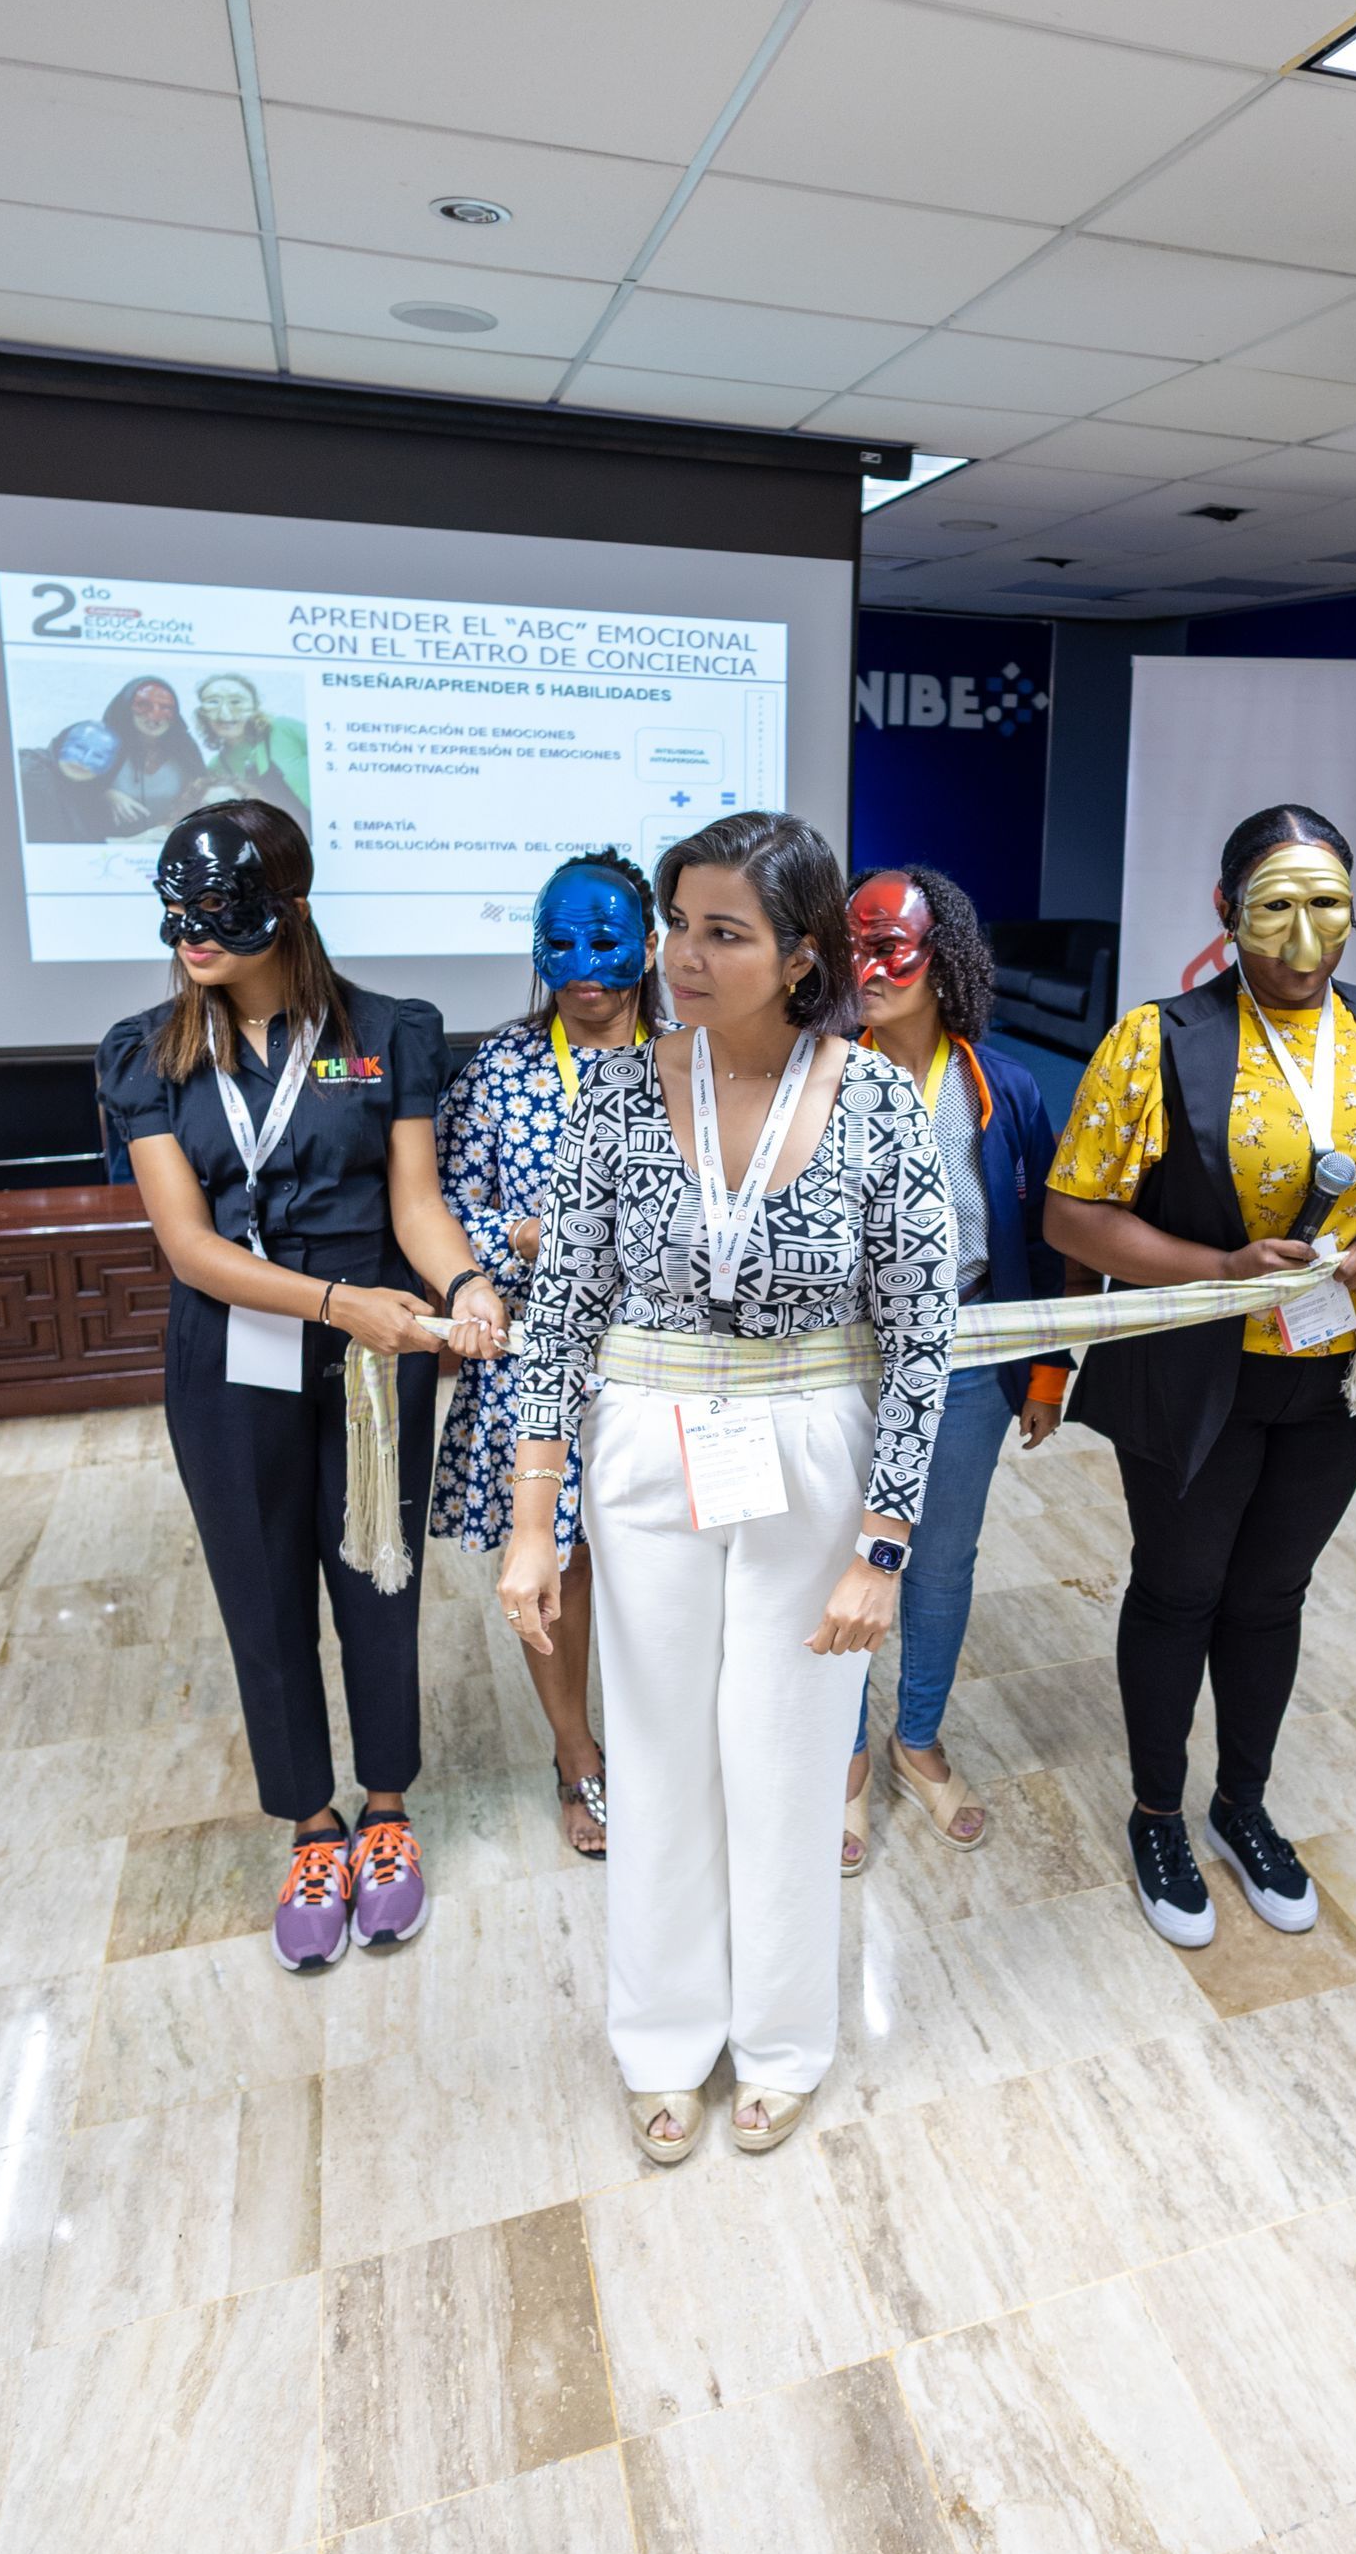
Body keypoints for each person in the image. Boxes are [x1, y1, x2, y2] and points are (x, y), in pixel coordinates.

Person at [497, 811, 955, 2166]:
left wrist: (883, 1544)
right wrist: (534, 1522)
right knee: (655, 1754)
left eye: (722, 933)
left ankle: (783, 2042)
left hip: (814, 1449)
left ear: (802, 956)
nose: (681, 958)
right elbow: (561, 1310)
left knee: (786, 1756)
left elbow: (924, 1331)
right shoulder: (617, 1093)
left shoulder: (878, 1100)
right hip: (649, 1441)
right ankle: (661, 2037)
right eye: (677, 928)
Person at [1043, 804, 1356, 1949]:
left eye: (1326, 906)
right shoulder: (1159, 1040)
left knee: (1272, 1594)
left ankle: (1242, 1805)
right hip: (1199, 1374)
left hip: (1341, 1377)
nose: (1302, 938)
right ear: (1225, 912)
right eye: (1275, 907)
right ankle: (1156, 1814)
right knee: (1179, 1590)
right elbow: (1073, 1217)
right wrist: (1222, 1268)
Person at [97, 798, 509, 1972]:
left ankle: (386, 1811)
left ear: (289, 905)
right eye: (175, 910)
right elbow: (188, 1246)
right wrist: (338, 1303)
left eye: (217, 909)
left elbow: (415, 1205)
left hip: (376, 1356)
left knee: (378, 1576)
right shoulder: (148, 1052)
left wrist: (465, 1282)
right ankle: (313, 1828)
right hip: (237, 1351)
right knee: (261, 1592)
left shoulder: (387, 1033)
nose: (192, 933)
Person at [430, 849, 663, 1858]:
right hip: (539, 1362)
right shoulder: (500, 1068)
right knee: (554, 1567)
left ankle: (666, 1749)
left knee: (661, 1562)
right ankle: (577, 1756)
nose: (583, 965)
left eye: (605, 940)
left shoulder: (695, 1058)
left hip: (665, 1361)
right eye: (558, 942)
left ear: (648, 947)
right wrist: (523, 1238)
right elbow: (445, 1207)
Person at [840, 865, 1069, 1870]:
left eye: (890, 948)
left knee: (940, 1563)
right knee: (839, 1560)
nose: (867, 968)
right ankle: (844, 1757)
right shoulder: (817, 1077)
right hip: (842, 1363)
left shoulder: (1002, 1086)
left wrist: (1047, 1367)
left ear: (947, 961)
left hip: (971, 1358)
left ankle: (918, 1738)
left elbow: (1046, 1236)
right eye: (852, 947)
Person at [193, 672, 312, 813]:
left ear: (254, 707)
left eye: (236, 702)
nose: (225, 713)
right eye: (213, 702)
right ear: (202, 713)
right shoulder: (216, 766)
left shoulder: (283, 729)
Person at [100, 675, 206, 830]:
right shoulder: (107, 746)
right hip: (112, 840)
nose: (154, 717)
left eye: (165, 708)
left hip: (169, 837)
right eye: (143, 705)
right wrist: (107, 794)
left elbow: (201, 795)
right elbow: (80, 789)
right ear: (126, 708)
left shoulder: (184, 749)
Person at [18, 719, 121, 842]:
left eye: (98, 756)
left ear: (109, 766)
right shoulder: (29, 769)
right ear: (61, 743)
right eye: (79, 747)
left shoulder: (90, 798)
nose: (84, 760)